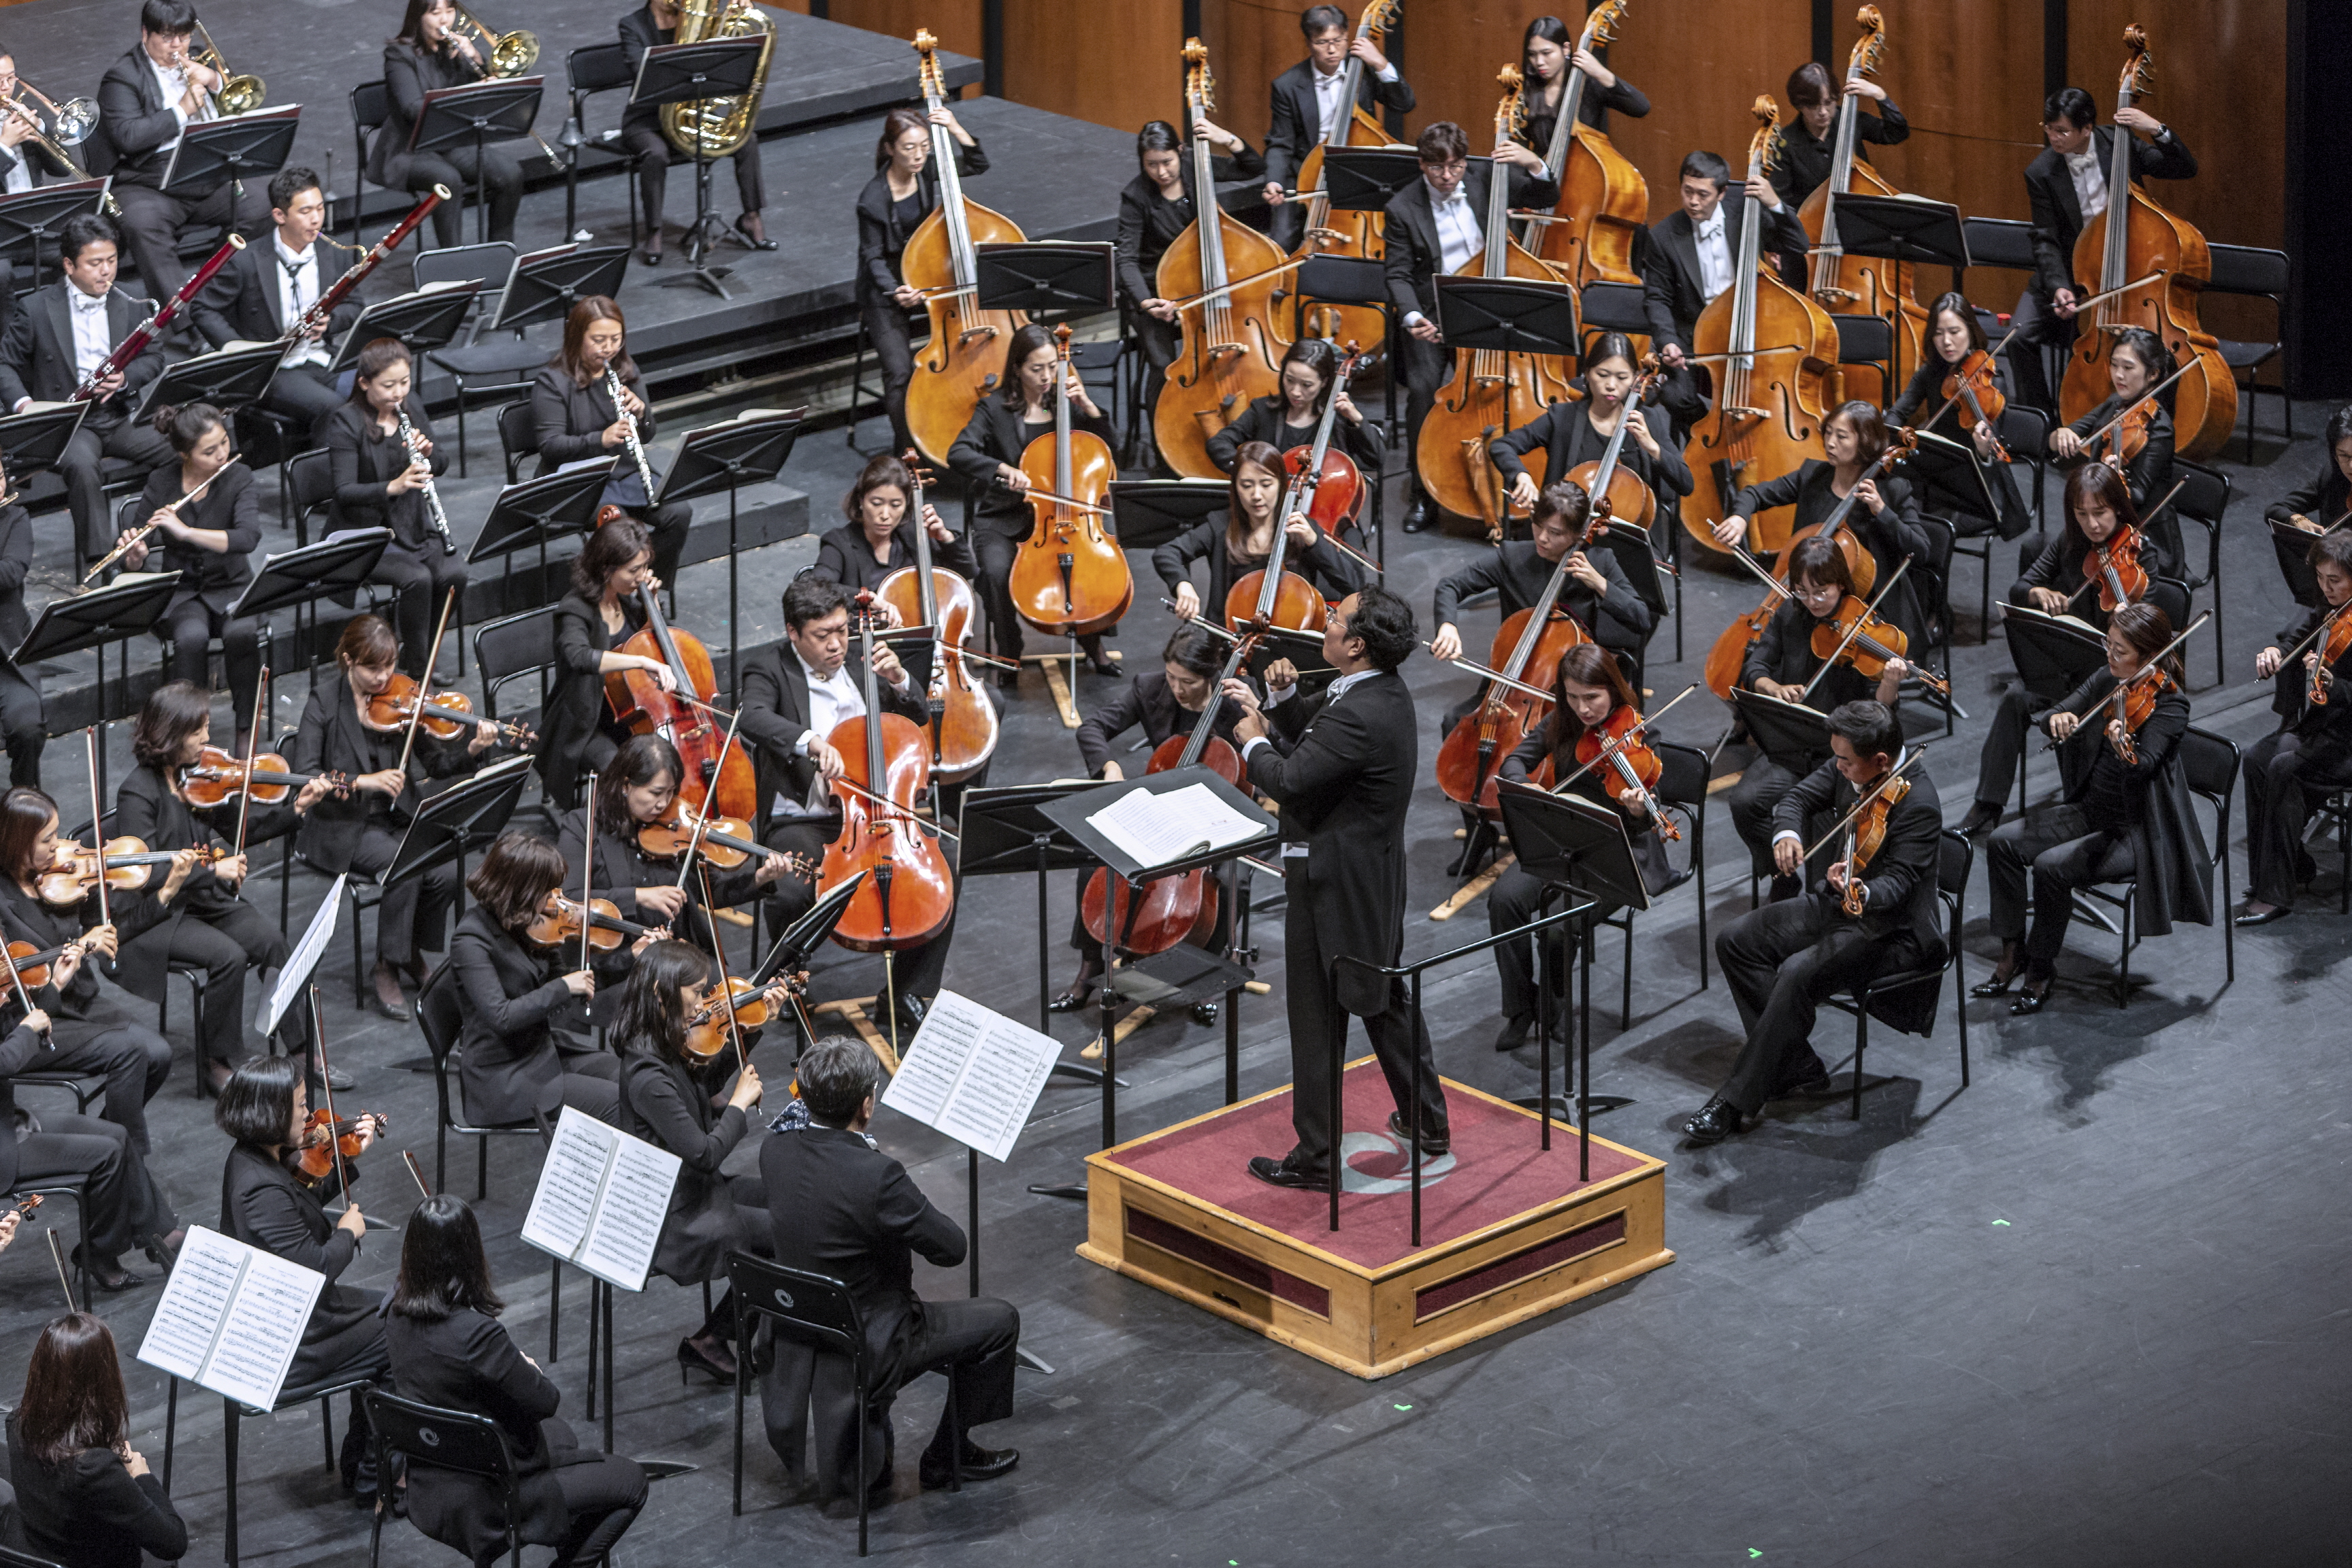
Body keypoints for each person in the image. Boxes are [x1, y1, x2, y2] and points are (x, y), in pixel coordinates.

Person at [1224, 586, 1448, 1185]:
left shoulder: (1359, 711)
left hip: (1334, 884)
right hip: (1368, 878)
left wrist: (1252, 738)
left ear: (1355, 644)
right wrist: (1285, 699)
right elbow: (1325, 746)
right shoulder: (1379, 693)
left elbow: (1294, 777)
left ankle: (1319, 1157)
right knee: (1380, 1000)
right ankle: (1427, 1120)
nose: (1325, 620)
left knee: (1318, 1016)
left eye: (1336, 617)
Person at [760, 1035, 1020, 1501]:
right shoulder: (878, 1177)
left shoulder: (774, 1152)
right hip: (868, 1337)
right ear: (866, 1105)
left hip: (797, 1329)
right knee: (1000, 1322)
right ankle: (948, 1457)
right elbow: (951, 1249)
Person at [1688, 700, 1942, 1145]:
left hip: (1890, 931)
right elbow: (1797, 798)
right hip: (1839, 906)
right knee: (1736, 940)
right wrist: (1786, 833)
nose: (1838, 766)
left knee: (1795, 972)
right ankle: (1795, 1065)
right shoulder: (1851, 764)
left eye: (1845, 760)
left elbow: (1900, 883)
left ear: (1880, 761)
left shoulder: (1919, 804)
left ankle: (1733, 1102)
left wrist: (1864, 890)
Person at [385, 1194, 648, 1566]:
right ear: (469, 1255)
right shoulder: (476, 1334)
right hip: (489, 1494)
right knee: (631, 1482)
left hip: (431, 1477)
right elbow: (545, 1401)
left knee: (561, 1436)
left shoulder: (394, 1313)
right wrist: (527, 1365)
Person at [738, 576, 946, 1037]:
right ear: (794, 633)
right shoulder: (767, 667)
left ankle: (905, 990)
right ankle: (788, 980)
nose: (836, 645)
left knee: (944, 866)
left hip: (878, 812)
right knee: (791, 885)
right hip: (807, 817)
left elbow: (914, 719)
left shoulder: (862, 654)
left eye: (841, 631)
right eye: (822, 635)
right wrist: (808, 741)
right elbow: (751, 717)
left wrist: (900, 679)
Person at [1974, 602, 2207, 1011]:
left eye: (2120, 650)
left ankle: (2041, 968)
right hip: (2091, 810)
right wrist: (2056, 720)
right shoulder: (2108, 679)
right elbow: (2058, 710)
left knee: (2051, 868)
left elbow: (2145, 767)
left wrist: (2124, 748)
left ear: (2148, 654)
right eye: (2109, 645)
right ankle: (2013, 952)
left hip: (2136, 829)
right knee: (2002, 842)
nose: (2110, 656)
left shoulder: (2171, 705)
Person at [112, 681, 333, 1096]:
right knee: (228, 957)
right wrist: (214, 872)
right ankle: (218, 1060)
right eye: (198, 731)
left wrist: (297, 809)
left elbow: (240, 829)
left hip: (198, 899)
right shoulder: (137, 792)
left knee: (270, 941)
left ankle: (302, 1048)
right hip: (155, 911)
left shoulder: (197, 778)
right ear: (171, 734)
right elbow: (148, 872)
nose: (207, 739)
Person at [1958, 463, 2180, 836]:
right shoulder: (2070, 543)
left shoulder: (2143, 555)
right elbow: (2020, 588)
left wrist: (2130, 617)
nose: (2092, 525)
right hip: (2069, 664)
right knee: (2015, 699)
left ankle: (2080, 808)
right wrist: (2037, 592)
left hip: (2112, 675)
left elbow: (2152, 632)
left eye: (2101, 513)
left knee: (2075, 718)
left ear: (2119, 509)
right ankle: (1987, 804)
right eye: (2082, 515)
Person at [294, 615, 493, 1017]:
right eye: (374, 668)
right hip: (341, 824)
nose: (385, 677)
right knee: (406, 862)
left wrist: (472, 750)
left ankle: (409, 951)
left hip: (394, 817)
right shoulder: (323, 702)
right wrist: (365, 781)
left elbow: (436, 764)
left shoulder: (403, 697)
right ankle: (386, 965)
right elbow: (306, 772)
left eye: (390, 665)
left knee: (445, 867)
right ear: (349, 660)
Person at [213, 1056, 391, 1499]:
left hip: (289, 1310)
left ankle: (365, 1461)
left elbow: (299, 1208)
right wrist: (348, 1234)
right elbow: (314, 1268)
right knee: (402, 1329)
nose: (308, 1116)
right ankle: (373, 1474)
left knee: (397, 1308)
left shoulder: (256, 1157)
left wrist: (348, 1159)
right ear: (270, 1113)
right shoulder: (257, 1185)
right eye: (298, 1105)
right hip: (289, 1341)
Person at [1486, 643, 1676, 1051]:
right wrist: (1526, 784)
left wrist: (1639, 809)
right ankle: (1521, 1007)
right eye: (1573, 697)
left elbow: (1649, 808)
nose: (1583, 708)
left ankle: (1556, 1005)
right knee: (1504, 901)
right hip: (1561, 842)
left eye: (1592, 697)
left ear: (1613, 689)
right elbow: (1514, 762)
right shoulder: (1562, 722)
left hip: (1617, 853)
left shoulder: (1642, 732)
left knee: (1556, 928)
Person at [1056, 623, 1249, 1020]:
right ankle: (1092, 964)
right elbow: (1093, 727)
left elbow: (1271, 758)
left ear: (1211, 675)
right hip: (1157, 812)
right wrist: (1108, 765)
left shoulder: (1235, 705)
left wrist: (1259, 719)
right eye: (1172, 677)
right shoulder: (1150, 687)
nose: (1177, 689)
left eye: (1189, 682)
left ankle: (1199, 977)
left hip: (1216, 823)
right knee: (1097, 856)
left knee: (1232, 881)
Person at [612, 940, 781, 1384]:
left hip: (695, 1187)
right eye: (699, 992)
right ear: (661, 992)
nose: (708, 1004)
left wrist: (749, 1028)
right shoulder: (648, 1074)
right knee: (787, 1237)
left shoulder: (662, 1040)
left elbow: (703, 1074)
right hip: (678, 1213)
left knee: (789, 1202)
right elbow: (704, 1154)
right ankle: (715, 1338)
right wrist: (740, 1107)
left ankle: (748, 1327)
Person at [0, 787, 176, 1211]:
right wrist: (73, 955)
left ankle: (109, 1148)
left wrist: (164, 893)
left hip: (79, 999)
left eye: (58, 835)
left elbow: (115, 932)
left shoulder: (66, 877)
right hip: (36, 1017)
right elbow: (22, 990)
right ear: (19, 844)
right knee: (132, 1052)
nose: (59, 846)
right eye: (47, 839)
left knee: (160, 1053)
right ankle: (126, 1167)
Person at [1385, 120, 1558, 532]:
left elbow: (1547, 194)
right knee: (1424, 389)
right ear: (1422, 164)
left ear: (1466, 161)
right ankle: (1423, 495)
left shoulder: (1488, 177)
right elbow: (1397, 274)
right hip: (1436, 312)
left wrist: (1535, 163)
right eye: (1437, 169)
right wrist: (1412, 317)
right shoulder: (1402, 207)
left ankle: (1529, 478)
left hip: (1491, 303)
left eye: (1456, 167)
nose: (1448, 177)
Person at [556, 733, 800, 1000]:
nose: (663, 803)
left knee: (732, 1005)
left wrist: (761, 878)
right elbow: (571, 899)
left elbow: (713, 893)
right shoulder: (582, 826)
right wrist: (640, 897)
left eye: (671, 792)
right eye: (655, 793)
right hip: (620, 960)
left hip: (680, 952)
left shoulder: (676, 827)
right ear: (625, 785)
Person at [1726, 536, 1910, 889]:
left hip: (1839, 760)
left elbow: (1882, 712)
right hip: (1792, 747)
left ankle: (1818, 897)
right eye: (1802, 591)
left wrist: (1890, 682)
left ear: (1841, 583)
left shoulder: (1867, 627)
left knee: (1824, 859)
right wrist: (1773, 688)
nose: (1812, 602)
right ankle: (1782, 871)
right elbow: (1755, 667)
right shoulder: (1788, 616)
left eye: (1821, 591)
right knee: (1744, 804)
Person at [945, 321, 1120, 678]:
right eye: (1036, 369)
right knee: (994, 573)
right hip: (1004, 518)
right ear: (1017, 368)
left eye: (1051, 367)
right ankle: (1010, 649)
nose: (1046, 377)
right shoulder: (993, 409)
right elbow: (958, 452)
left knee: (1086, 566)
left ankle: (1093, 644)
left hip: (1066, 516)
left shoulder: (1065, 406)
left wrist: (1087, 406)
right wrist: (1001, 468)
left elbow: (1108, 449)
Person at [2012, 85, 2197, 414]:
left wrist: (2156, 128)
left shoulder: (2120, 145)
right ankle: (2040, 420)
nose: (2054, 138)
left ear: (2087, 129)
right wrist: (2058, 286)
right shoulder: (2040, 172)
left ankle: (2154, 423)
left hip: (2132, 273)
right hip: (2073, 273)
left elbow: (2184, 168)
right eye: (2049, 129)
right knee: (2020, 335)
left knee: (2156, 347)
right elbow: (2045, 238)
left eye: (2062, 131)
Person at [0, 214, 169, 569]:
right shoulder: (36, 309)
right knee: (83, 467)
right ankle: (102, 562)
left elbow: (153, 356)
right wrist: (26, 405)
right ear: (68, 265)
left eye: (111, 261)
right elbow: (5, 365)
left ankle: (135, 538)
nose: (106, 272)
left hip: (118, 414)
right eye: (95, 264)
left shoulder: (131, 300)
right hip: (68, 423)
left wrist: (125, 380)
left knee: (181, 448)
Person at [1710, 398, 1933, 649]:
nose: (1830, 443)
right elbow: (1754, 494)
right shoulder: (1813, 475)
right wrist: (1740, 517)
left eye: (1842, 436)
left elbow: (1922, 550)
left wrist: (1881, 510)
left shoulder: (1893, 490)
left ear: (1866, 442)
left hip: (1866, 612)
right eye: (1828, 433)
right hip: (1806, 601)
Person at [111, 403, 268, 749]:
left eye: (224, 443)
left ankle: (246, 729)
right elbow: (136, 551)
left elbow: (246, 538)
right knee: (191, 639)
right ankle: (188, 733)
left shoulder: (238, 476)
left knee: (241, 634)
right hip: (183, 593)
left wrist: (186, 533)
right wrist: (134, 555)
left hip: (232, 585)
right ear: (184, 453)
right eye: (209, 451)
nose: (222, 454)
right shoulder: (162, 481)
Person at [92, 0, 268, 306]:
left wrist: (213, 80)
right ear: (145, 33)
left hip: (207, 169)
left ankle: (211, 294)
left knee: (262, 203)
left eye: (184, 36)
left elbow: (239, 104)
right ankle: (181, 323)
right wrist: (183, 109)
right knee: (142, 225)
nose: (178, 46)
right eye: (167, 37)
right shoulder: (122, 77)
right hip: (149, 181)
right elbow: (129, 138)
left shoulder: (201, 58)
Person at [448, 831, 625, 1128]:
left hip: (539, 1050)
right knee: (616, 1105)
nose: (554, 899)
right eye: (547, 890)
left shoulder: (523, 921)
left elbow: (568, 982)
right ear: (522, 890)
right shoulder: (470, 940)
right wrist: (564, 987)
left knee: (629, 1078)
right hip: (505, 1076)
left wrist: (628, 956)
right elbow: (502, 1017)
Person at [1430, 479, 1650, 702]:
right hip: (1513, 672)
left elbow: (1641, 618)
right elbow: (1451, 586)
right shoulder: (1512, 556)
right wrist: (1447, 625)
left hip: (1572, 686)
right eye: (1538, 525)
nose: (1542, 537)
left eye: (1555, 532)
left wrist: (1599, 583)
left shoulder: (1600, 562)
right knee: (1454, 724)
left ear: (1578, 534)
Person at [321, 339, 468, 667]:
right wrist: (393, 486)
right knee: (418, 579)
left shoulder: (410, 406)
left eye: (404, 382)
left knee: (455, 573)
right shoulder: (345, 421)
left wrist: (429, 456)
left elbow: (441, 464)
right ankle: (416, 667)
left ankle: (425, 653)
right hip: (366, 533)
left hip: (413, 524)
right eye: (388, 385)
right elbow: (344, 491)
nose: (398, 392)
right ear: (364, 383)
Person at [1640, 150, 1808, 431]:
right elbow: (1657, 298)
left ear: (1721, 193)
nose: (1693, 202)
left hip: (1755, 332)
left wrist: (1776, 204)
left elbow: (1797, 245)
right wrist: (1668, 341)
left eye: (1702, 194)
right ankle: (1707, 436)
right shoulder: (1662, 236)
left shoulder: (1746, 212)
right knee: (1675, 395)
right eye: (1687, 191)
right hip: (1696, 335)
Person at [855, 103, 985, 459]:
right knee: (899, 374)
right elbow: (873, 257)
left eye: (924, 146)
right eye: (909, 148)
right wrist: (895, 290)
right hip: (887, 292)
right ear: (890, 149)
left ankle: (961, 432)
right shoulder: (872, 200)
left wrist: (956, 129)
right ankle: (909, 453)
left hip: (929, 281)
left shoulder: (928, 170)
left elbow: (978, 164)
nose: (918, 155)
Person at [7, 1312, 189, 1567]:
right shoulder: (94, 1469)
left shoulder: (17, 1422)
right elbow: (173, 1544)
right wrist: (141, 1476)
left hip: (42, 1548)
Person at [1120, 117, 1264, 431]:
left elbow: (1254, 168)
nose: (1161, 172)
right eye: (1152, 164)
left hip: (1203, 288)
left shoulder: (1198, 167)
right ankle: (1163, 440)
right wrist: (1148, 303)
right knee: (1165, 365)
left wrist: (1226, 137)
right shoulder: (1136, 197)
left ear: (1181, 152)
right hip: (1154, 292)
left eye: (1167, 162)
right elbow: (1126, 261)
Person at [532, 296, 690, 584]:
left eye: (616, 339)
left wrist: (642, 413)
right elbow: (551, 447)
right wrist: (601, 439)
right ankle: (615, 595)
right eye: (599, 340)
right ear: (576, 337)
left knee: (679, 512)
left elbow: (648, 434)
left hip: (625, 474)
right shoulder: (552, 381)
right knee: (619, 524)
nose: (608, 348)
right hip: (580, 481)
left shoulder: (626, 371)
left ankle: (650, 587)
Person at [2238, 531, 2352, 926]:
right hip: (2321, 729)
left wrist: (2334, 685)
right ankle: (2288, 869)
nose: (2326, 588)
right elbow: (2294, 636)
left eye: (2335, 580)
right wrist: (2277, 653)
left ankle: (2276, 894)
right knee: (2256, 760)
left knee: (2285, 768)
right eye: (2321, 578)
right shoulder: (2327, 608)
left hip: (2348, 742)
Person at [189, 167, 357, 428]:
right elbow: (203, 308)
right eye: (305, 212)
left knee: (386, 391)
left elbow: (356, 306)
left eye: (320, 209)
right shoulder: (247, 261)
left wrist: (331, 321)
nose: (317, 220)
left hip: (323, 358)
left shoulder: (334, 253)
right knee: (334, 410)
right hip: (274, 371)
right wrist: (239, 352)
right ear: (279, 215)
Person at [1488, 330, 1691, 546]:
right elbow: (1502, 446)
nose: (1611, 385)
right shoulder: (1563, 416)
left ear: (1634, 379)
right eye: (1602, 375)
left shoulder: (1647, 421)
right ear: (1587, 373)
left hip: (1622, 543)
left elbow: (1685, 484)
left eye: (1622, 377)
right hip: (1560, 536)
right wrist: (1521, 476)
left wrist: (1652, 448)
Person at [617, 0, 773, 267]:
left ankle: (751, 217)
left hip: (691, 115)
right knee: (655, 155)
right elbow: (639, 70)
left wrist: (740, 12)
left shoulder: (701, 18)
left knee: (746, 139)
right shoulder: (633, 25)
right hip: (646, 120)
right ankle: (654, 230)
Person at [541, 516, 673, 811]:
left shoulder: (626, 598)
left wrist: (651, 604)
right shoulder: (574, 609)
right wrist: (637, 661)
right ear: (606, 569)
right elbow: (579, 657)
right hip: (585, 721)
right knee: (626, 772)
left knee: (666, 759)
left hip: (628, 711)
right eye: (633, 570)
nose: (641, 576)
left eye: (644, 568)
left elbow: (645, 640)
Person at [1155, 440, 1364, 624]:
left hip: (1290, 640)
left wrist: (1314, 542)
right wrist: (1182, 584)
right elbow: (1167, 553)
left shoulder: (1301, 529)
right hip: (1229, 638)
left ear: (1281, 485)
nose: (1256, 495)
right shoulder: (1221, 525)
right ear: (1235, 488)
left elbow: (1352, 585)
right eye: (1246, 485)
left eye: (1266, 485)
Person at [1260, 4, 1414, 252]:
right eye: (1322, 43)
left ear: (1347, 36)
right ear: (1309, 42)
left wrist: (1380, 62)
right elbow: (1280, 142)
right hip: (1308, 173)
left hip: (1358, 171)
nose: (1332, 50)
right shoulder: (1287, 85)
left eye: (1338, 40)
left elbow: (1404, 104)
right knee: (1281, 240)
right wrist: (1274, 180)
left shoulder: (1363, 71)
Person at [370, 0, 523, 247]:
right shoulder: (399, 55)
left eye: (450, 11)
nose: (444, 20)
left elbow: (484, 84)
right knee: (447, 179)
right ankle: (453, 261)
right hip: (410, 148)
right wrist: (456, 101)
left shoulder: (454, 49)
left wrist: (474, 57)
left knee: (510, 173)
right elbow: (411, 108)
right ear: (419, 17)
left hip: (451, 142)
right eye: (435, 12)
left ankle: (501, 251)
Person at [1886, 291, 2031, 542]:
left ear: (1971, 331)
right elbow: (1899, 412)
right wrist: (1884, 436)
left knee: (1919, 526)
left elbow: (1993, 454)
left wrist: (1983, 449)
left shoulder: (1992, 382)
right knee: (1893, 509)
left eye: (1955, 332)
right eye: (1939, 333)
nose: (1947, 342)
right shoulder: (1932, 372)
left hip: (1978, 487)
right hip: (1935, 477)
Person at [2043, 323, 2175, 538]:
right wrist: (2062, 434)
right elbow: (2055, 440)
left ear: (2153, 374)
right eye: (2114, 365)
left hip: (2140, 534)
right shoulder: (2115, 403)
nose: (2118, 375)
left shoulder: (2159, 427)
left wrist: (2113, 482)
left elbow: (2138, 496)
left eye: (2128, 368)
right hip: (2100, 523)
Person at [1203, 336, 1384, 483]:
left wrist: (1357, 420)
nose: (1296, 392)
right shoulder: (1263, 410)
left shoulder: (1339, 416)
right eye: (1289, 380)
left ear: (1324, 382)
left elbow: (1375, 460)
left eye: (1307, 385)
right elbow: (1218, 443)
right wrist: (1249, 470)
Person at [812, 451, 981, 599]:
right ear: (861, 501)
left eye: (895, 505)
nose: (885, 515)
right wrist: (866, 599)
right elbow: (817, 589)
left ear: (906, 505)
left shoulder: (915, 535)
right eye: (877, 503)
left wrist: (946, 538)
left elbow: (967, 572)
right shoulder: (839, 543)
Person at [1769, 58, 1907, 211]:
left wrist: (1880, 95)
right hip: (1813, 228)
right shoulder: (1785, 143)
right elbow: (1783, 201)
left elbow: (1897, 134)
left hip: (1859, 215)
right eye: (1814, 106)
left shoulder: (1849, 120)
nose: (1823, 112)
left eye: (1828, 103)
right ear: (1799, 105)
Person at [1516, 14, 1649, 157]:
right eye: (1532, 54)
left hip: (1586, 173)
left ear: (1566, 48)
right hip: (1540, 176)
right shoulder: (1527, 91)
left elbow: (1640, 107)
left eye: (1546, 53)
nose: (1539, 61)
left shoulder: (1588, 85)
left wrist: (1600, 72)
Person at [2263, 404, 2352, 608]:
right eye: (2344, 456)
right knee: (2289, 636)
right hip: (2332, 593)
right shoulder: (2333, 477)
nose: (2351, 466)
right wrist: (2298, 520)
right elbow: (2276, 510)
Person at [0, 446, 46, 785]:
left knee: (28, 727)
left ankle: (26, 809)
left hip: (9, 658)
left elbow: (11, 573)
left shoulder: (15, 519)